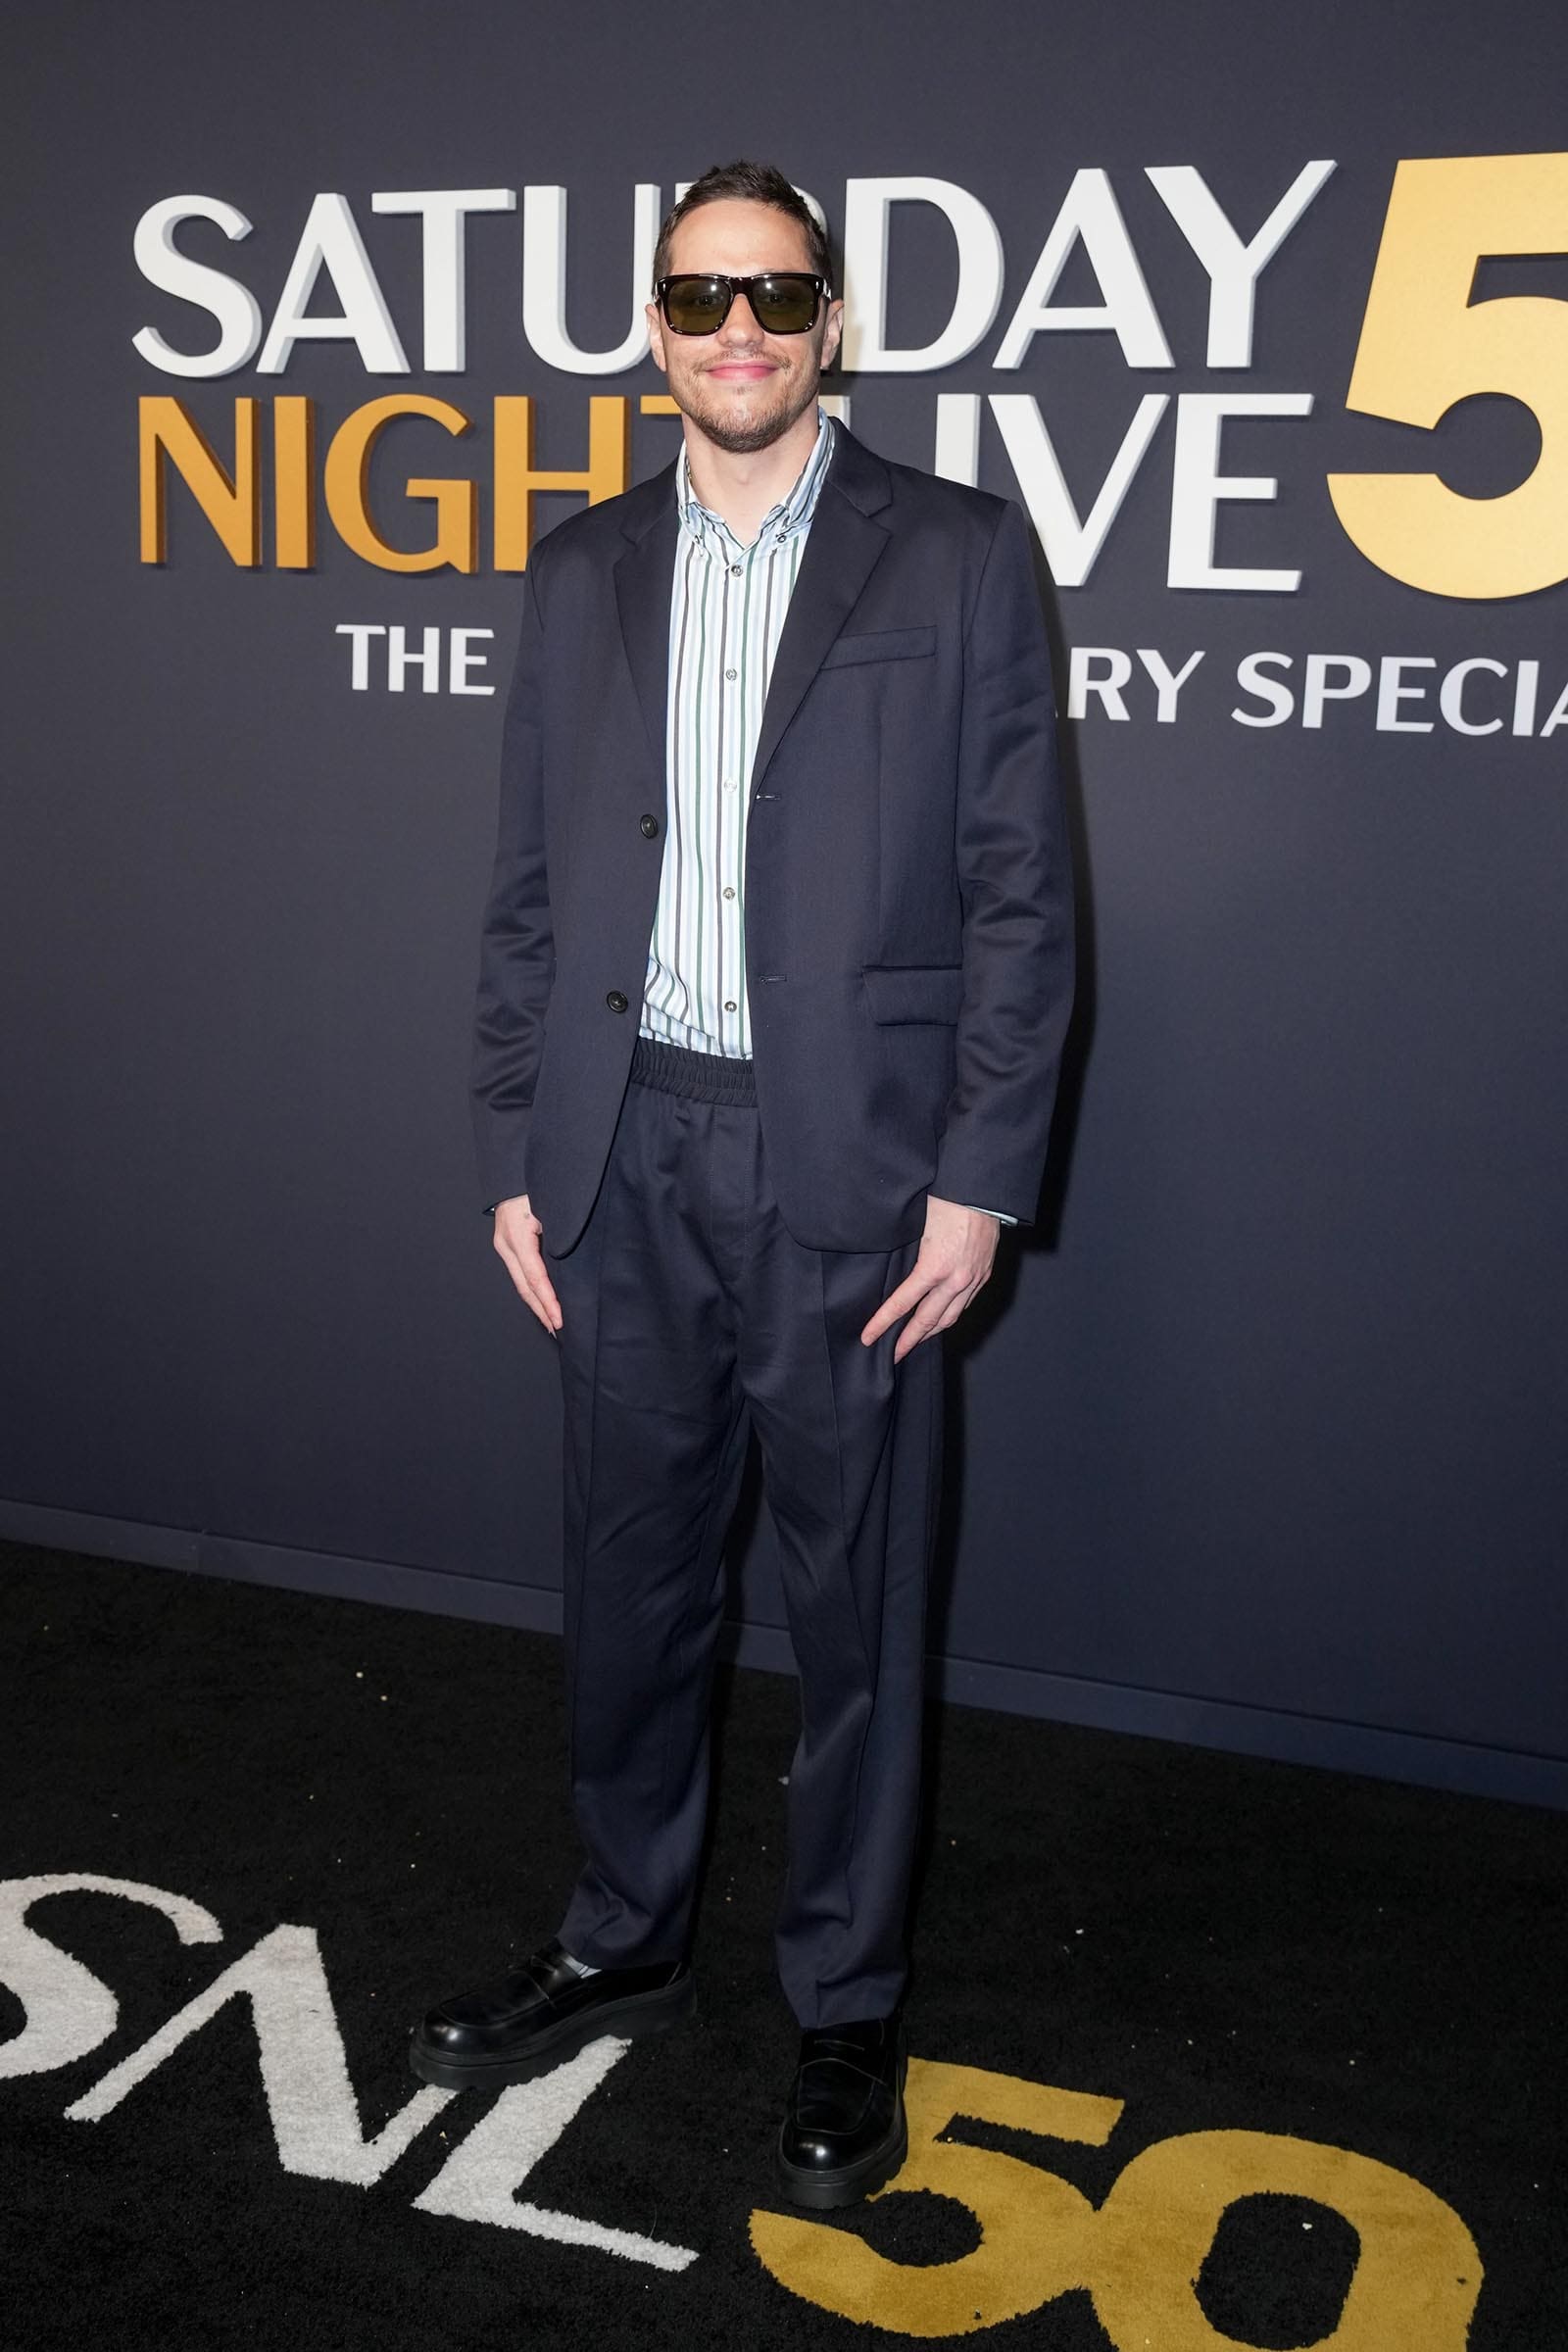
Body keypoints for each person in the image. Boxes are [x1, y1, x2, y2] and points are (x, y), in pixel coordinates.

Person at [410, 158, 1074, 2211]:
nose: (738, 332)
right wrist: (519, 1143)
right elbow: (528, 892)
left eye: (776, 295)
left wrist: (977, 1179)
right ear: (652, 326)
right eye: (700, 298)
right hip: (621, 1154)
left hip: (852, 1170)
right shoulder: (579, 565)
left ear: (831, 321)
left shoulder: (955, 552)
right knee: (628, 1587)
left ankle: (845, 2003)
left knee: (855, 1614)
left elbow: (1019, 895)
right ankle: (621, 1930)